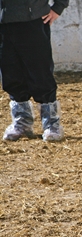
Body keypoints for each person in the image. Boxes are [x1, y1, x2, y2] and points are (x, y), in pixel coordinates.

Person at [0, 0, 69, 141]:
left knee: (40, 72)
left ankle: (51, 124)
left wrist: (58, 7)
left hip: (33, 20)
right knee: (10, 73)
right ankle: (22, 122)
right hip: (3, 23)